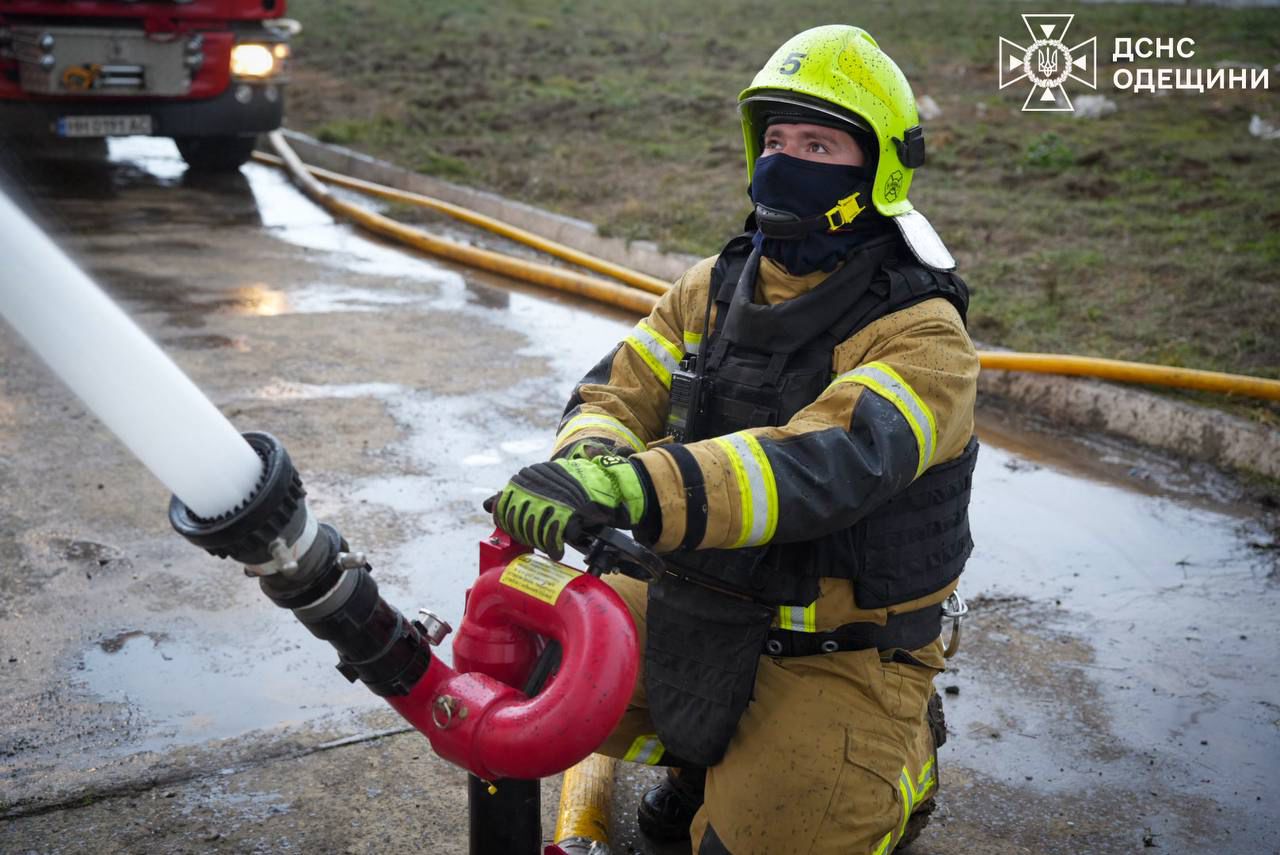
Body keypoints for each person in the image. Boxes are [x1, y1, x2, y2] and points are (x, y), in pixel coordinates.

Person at [489, 24, 979, 855]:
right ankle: (705, 758)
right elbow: (617, 389)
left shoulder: (923, 334)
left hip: (834, 648)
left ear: (879, 169)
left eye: (818, 142)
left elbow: (820, 464)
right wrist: (589, 463)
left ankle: (899, 760)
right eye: (775, 138)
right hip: (702, 602)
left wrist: (638, 489)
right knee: (528, 663)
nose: (784, 162)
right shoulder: (715, 287)